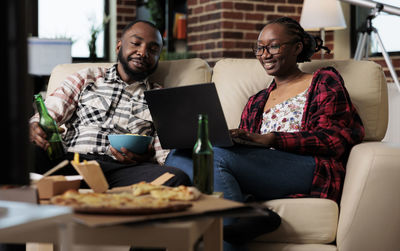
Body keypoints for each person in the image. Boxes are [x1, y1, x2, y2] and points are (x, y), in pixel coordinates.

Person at [165, 16, 365, 249]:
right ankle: (244, 216)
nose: (264, 54)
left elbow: (333, 139)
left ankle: (237, 224)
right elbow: (246, 155)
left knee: (214, 155)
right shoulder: (256, 101)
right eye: (259, 48)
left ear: (297, 47)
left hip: (308, 167)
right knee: (179, 155)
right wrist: (239, 139)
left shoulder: (322, 81)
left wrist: (272, 139)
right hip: (262, 170)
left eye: (273, 46)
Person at [30, 20, 190, 188]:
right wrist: (35, 127)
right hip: (73, 163)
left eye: (153, 49)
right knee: (23, 153)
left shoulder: (161, 97)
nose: (143, 53)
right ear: (119, 47)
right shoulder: (86, 78)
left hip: (123, 171)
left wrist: (147, 157)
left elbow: (163, 155)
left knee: (175, 178)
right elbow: (48, 113)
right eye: (136, 43)